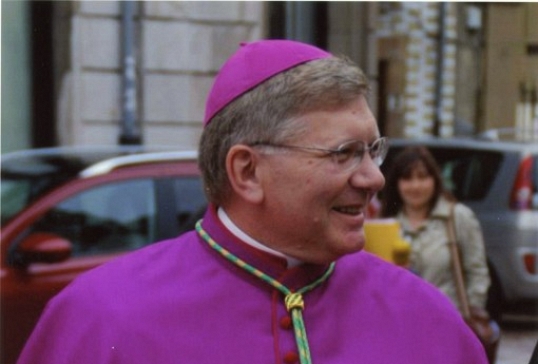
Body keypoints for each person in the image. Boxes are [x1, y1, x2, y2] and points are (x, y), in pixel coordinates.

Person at [17, 39, 487, 364]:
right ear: (247, 172)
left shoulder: (425, 316)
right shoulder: (102, 317)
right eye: (344, 154)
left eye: (373, 149)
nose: (374, 178)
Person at [379, 146, 491, 314]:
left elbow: (478, 273)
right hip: (401, 322)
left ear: (435, 179)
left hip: (448, 322)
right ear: (397, 183)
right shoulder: (386, 225)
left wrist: (473, 313)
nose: (415, 186)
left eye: (423, 177)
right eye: (407, 178)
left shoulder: (458, 217)